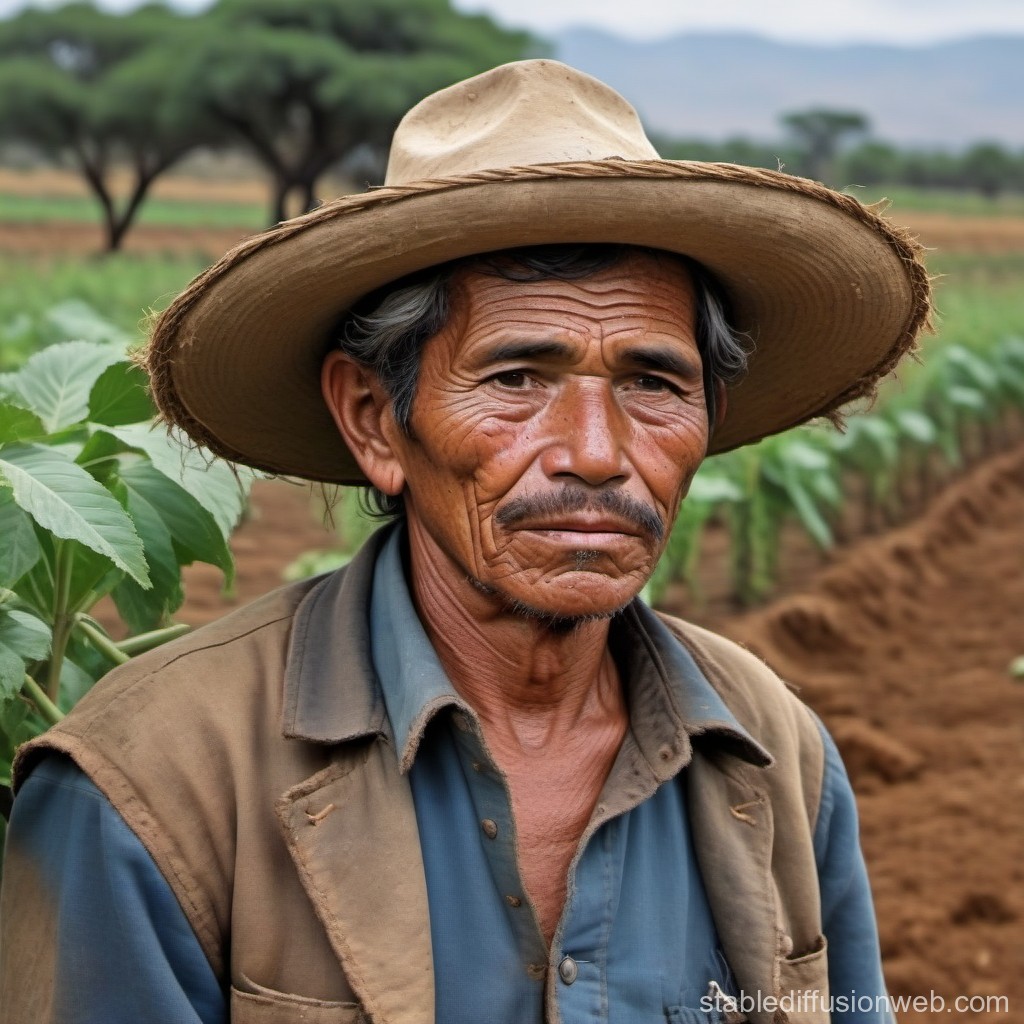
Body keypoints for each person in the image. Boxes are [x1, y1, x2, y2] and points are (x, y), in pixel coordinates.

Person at [0, 60, 929, 1024]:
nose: (600, 455)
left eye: (654, 383)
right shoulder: (153, 789)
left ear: (708, 415)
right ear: (372, 420)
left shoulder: (778, 756)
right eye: (518, 378)